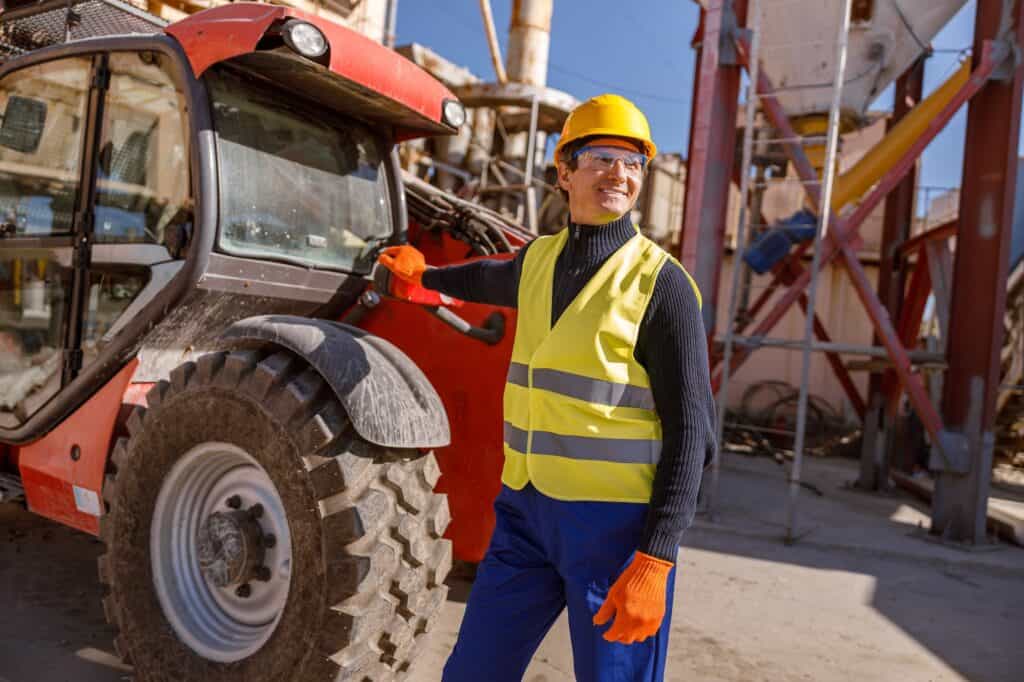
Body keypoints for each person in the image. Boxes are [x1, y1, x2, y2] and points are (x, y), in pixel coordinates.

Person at [375, 94, 716, 682]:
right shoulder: (538, 261)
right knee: (473, 671)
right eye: (603, 158)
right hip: (525, 512)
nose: (620, 174)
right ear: (564, 171)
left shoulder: (663, 286)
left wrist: (656, 558)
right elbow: (485, 275)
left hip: (614, 531)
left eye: (634, 163)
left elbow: (694, 436)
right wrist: (422, 277)